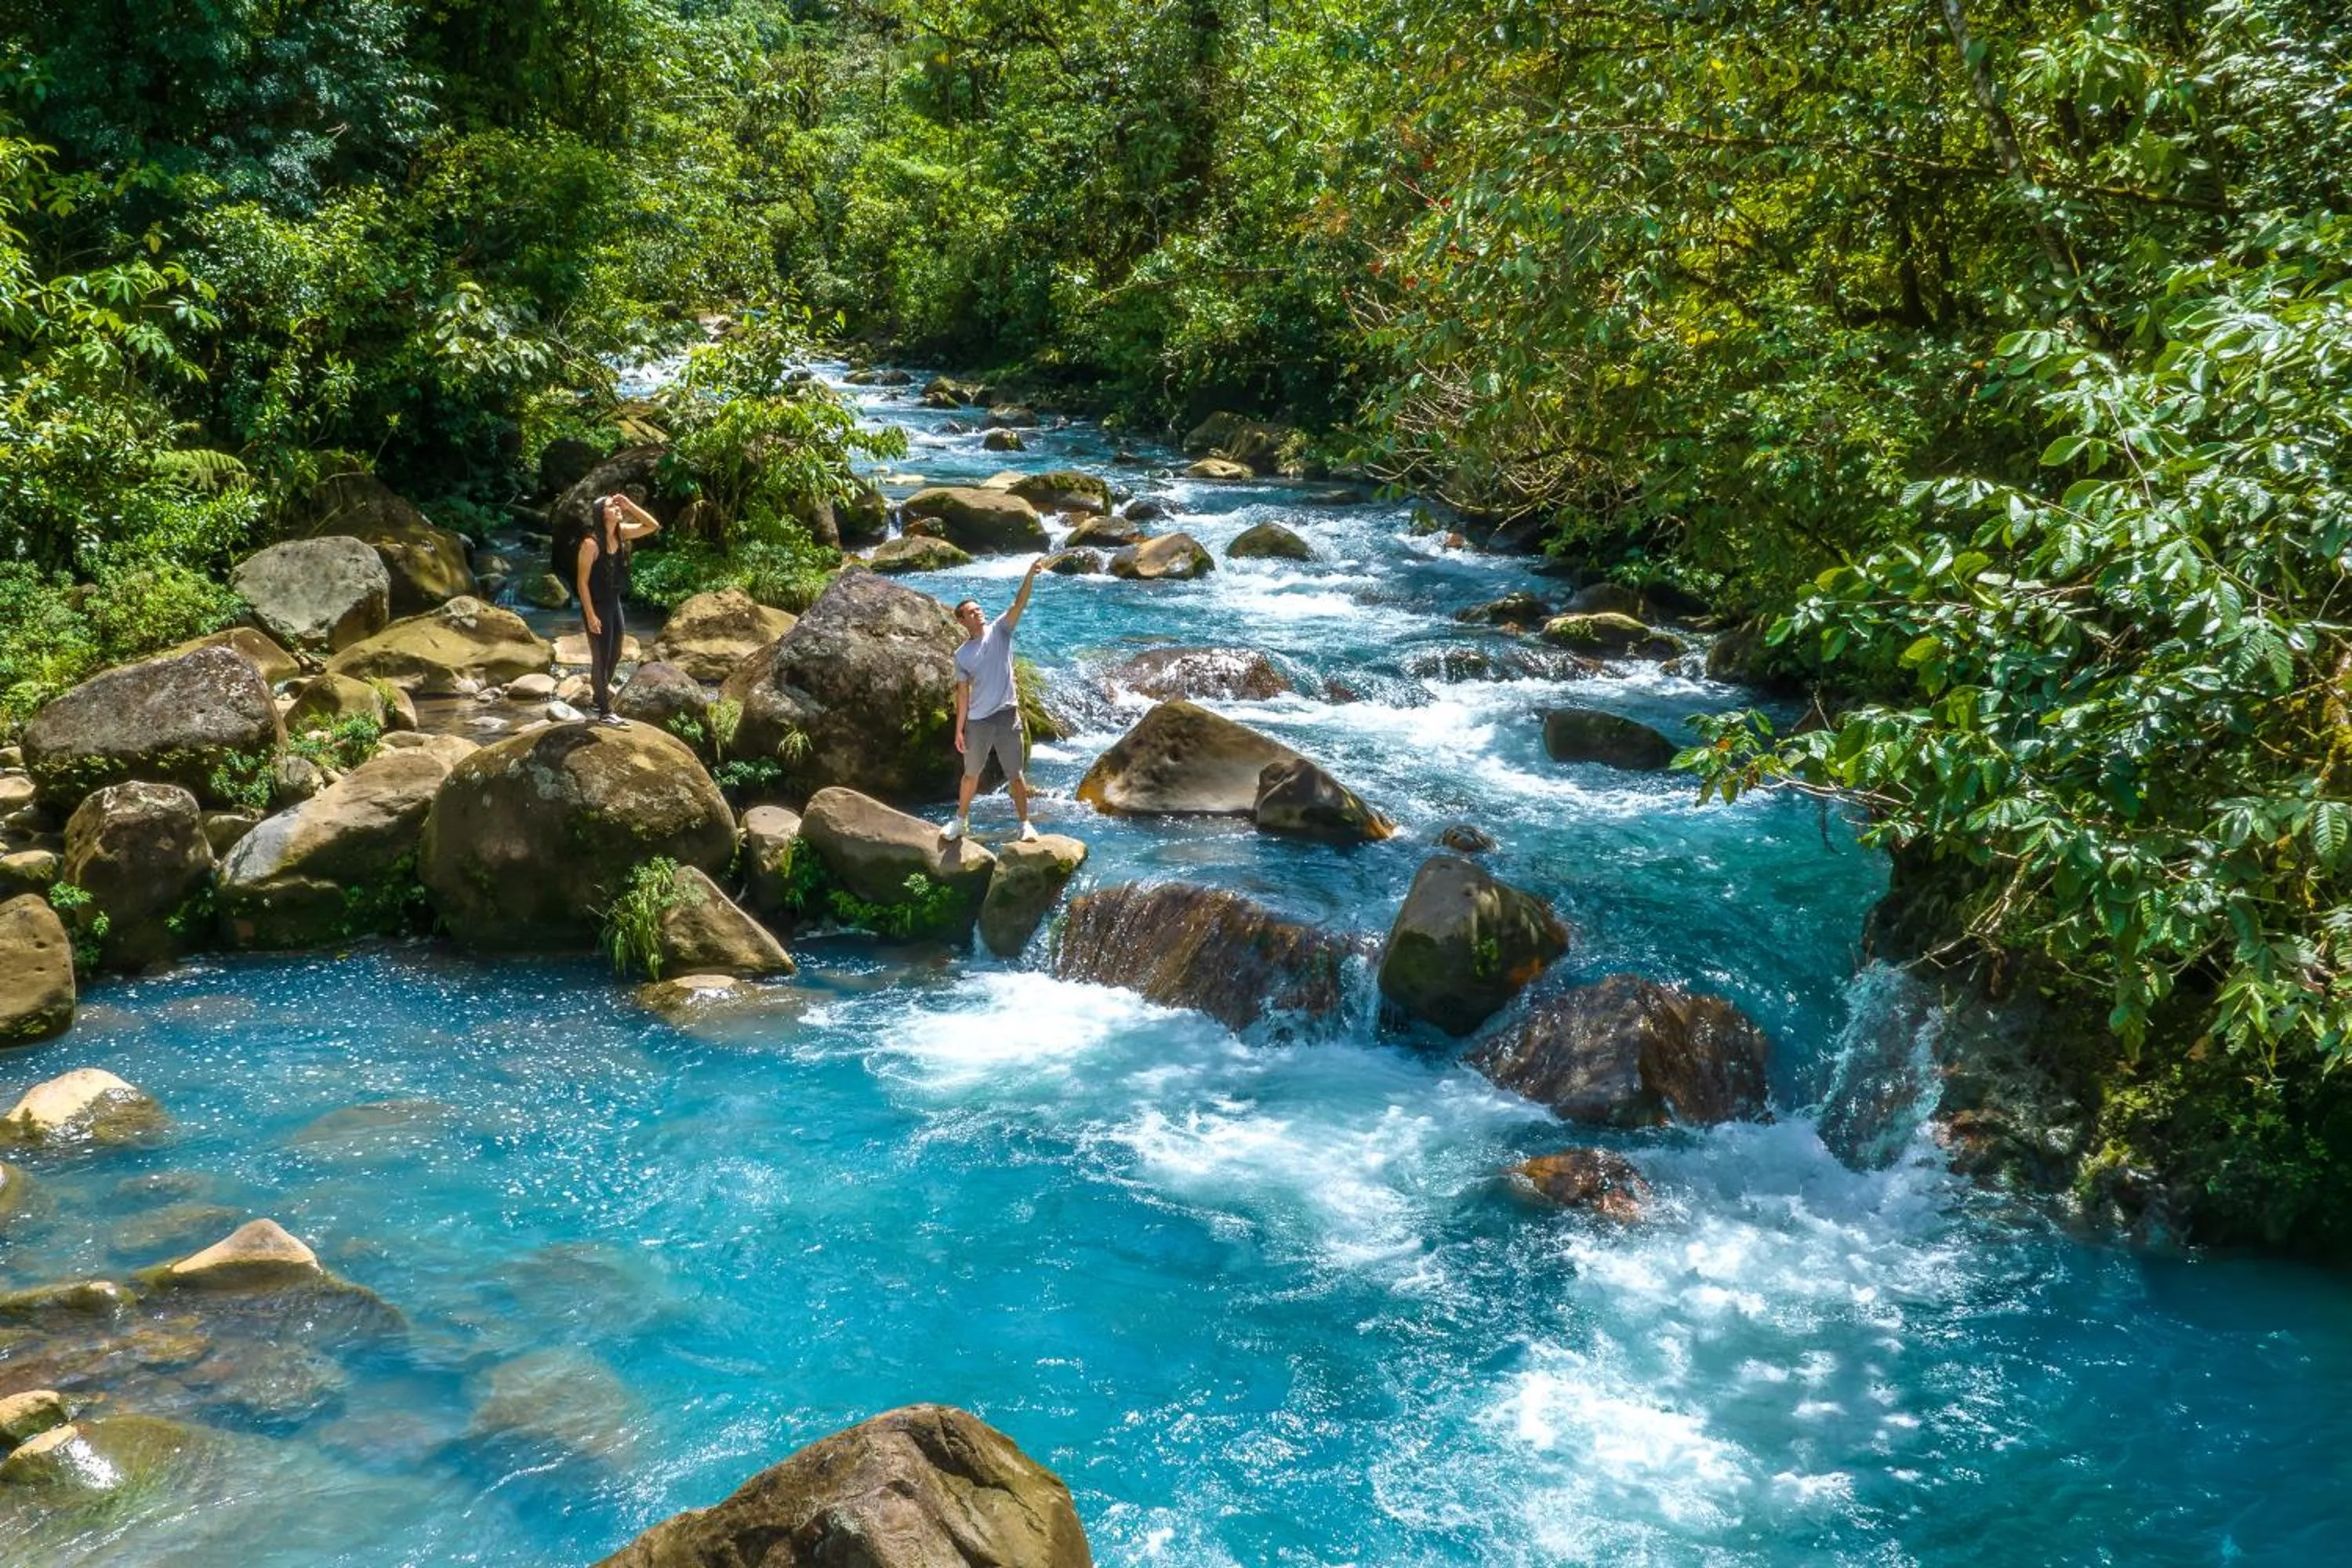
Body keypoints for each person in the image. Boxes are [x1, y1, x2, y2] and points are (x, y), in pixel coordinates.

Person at [945, 556, 1046, 842]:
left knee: (1015, 775)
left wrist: (1030, 575)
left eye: (979, 609)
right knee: (971, 775)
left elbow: (1019, 604)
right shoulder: (962, 655)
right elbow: (963, 693)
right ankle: (959, 822)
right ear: (962, 620)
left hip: (1006, 715)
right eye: (972, 612)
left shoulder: (1001, 630)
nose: (978, 613)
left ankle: (1025, 824)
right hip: (978, 721)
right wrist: (959, 730)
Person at [575, 492, 662, 725]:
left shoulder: (621, 533)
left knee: (615, 654)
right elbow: (582, 583)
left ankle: (598, 696)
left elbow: (652, 525)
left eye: (617, 505)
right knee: (601, 657)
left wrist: (629, 504)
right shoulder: (590, 544)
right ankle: (605, 712)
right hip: (597, 606)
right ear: (600, 514)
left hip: (614, 603)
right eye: (611, 505)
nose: (617, 507)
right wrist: (591, 615)